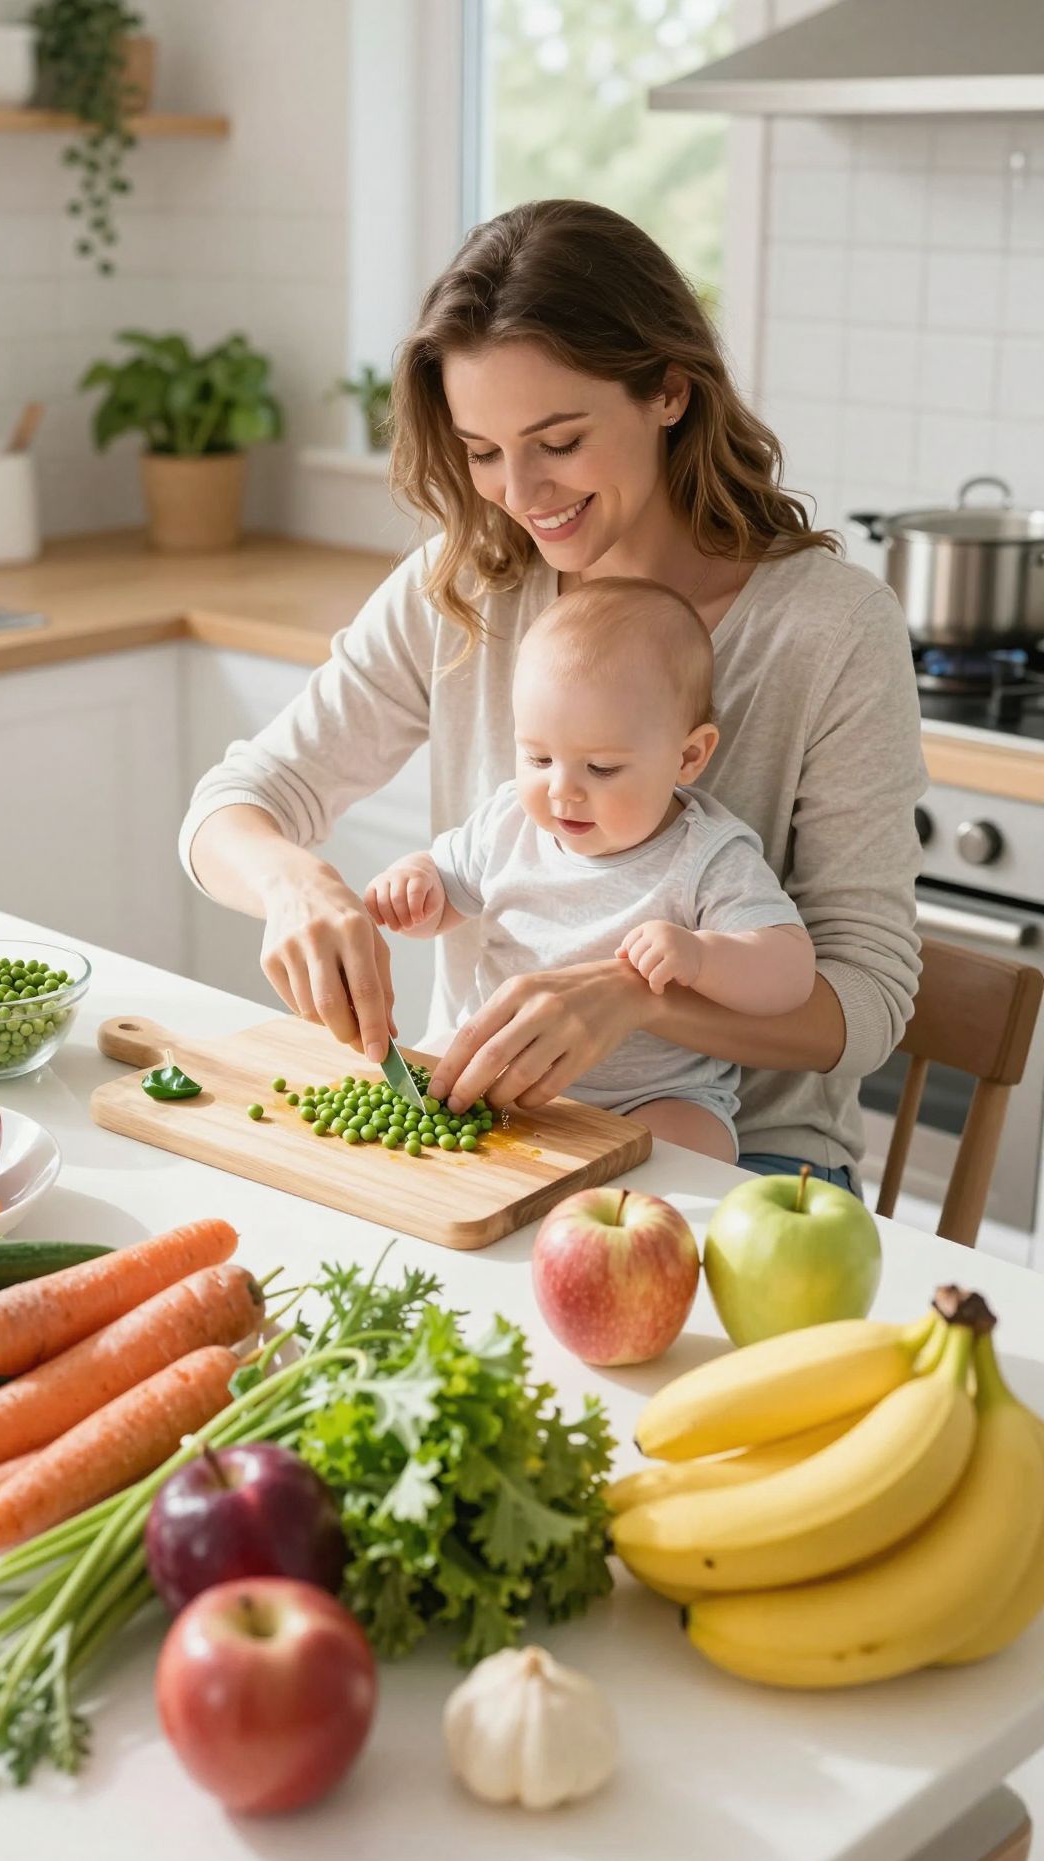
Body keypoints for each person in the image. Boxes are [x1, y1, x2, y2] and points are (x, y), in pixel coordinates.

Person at [179, 198, 925, 1191]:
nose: (521, 493)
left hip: (743, 1159)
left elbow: (868, 1000)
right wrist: (294, 886)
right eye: (483, 451)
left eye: (560, 441)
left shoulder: (829, 628)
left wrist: (640, 998)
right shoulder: (464, 585)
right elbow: (234, 804)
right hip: (490, 1126)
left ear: (669, 391)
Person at [363, 578, 815, 1165]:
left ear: (688, 757)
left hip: (647, 1097)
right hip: (499, 1070)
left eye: (601, 768)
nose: (562, 791)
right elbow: (442, 903)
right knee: (426, 1079)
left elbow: (791, 970)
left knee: (695, 1143)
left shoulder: (707, 856)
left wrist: (702, 957)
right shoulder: (507, 822)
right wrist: (414, 884)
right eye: (538, 758)